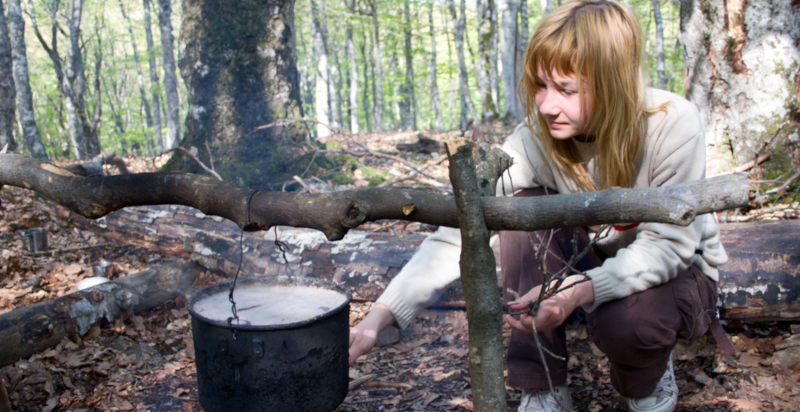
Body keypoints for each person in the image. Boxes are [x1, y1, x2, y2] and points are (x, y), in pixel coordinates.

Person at [349, 1, 729, 411]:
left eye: (566, 90)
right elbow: (465, 228)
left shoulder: (673, 124)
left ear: (613, 82)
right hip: (590, 261)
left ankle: (644, 383)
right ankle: (544, 387)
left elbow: (667, 248)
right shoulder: (534, 140)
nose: (547, 105)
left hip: (674, 277)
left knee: (628, 322)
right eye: (540, 85)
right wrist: (379, 317)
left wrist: (578, 291)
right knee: (518, 207)